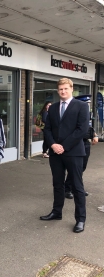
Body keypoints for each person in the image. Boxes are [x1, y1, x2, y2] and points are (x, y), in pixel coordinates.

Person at [40, 78, 89, 234]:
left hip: (73, 152)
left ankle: (80, 219)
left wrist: (64, 146)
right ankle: (56, 212)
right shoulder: (53, 108)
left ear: (71, 89)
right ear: (57, 90)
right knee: (57, 184)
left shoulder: (81, 106)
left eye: (66, 89)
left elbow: (81, 130)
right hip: (55, 153)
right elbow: (47, 129)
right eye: (60, 89)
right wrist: (53, 145)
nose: (63, 91)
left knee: (77, 186)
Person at [64, 95, 98, 199]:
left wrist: (94, 135)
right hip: (77, 143)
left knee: (82, 167)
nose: (87, 105)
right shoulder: (72, 113)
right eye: (86, 103)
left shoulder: (86, 112)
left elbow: (89, 126)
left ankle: (76, 187)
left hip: (86, 142)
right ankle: (68, 189)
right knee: (75, 168)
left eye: (88, 103)